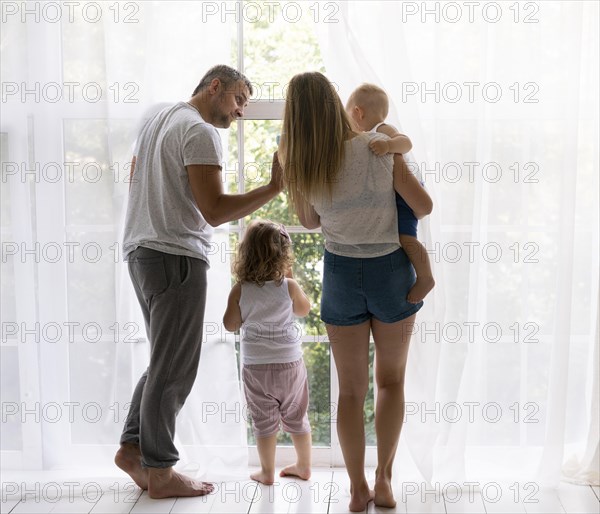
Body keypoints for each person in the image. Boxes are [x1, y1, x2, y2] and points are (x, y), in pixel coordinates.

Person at [116, 65, 284, 499]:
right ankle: (161, 470)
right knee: (175, 367)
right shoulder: (201, 131)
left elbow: (138, 181)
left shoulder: (158, 120)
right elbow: (214, 210)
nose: (241, 111)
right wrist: (273, 187)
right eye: (239, 100)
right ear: (215, 87)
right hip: (174, 257)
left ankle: (133, 450)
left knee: (164, 359)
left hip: (141, 251)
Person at [278, 72, 433, 512]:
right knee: (391, 381)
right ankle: (384, 480)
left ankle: (356, 487)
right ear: (335, 104)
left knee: (349, 392)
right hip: (390, 271)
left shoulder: (303, 161)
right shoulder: (376, 146)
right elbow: (421, 206)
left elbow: (310, 222)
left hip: (341, 273)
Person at [223, 220, 312, 485]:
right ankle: (305, 466)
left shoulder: (240, 290)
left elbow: (230, 325)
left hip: (256, 368)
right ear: (284, 256)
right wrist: (290, 277)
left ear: (245, 254)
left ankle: (267, 472)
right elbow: (303, 310)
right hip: (289, 365)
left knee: (263, 421)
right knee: (297, 416)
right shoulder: (288, 286)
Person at [346, 83, 434, 303]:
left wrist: (388, 146)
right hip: (397, 194)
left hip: (406, 195)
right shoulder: (370, 135)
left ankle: (426, 278)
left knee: (406, 237)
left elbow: (406, 142)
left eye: (348, 117)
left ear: (358, 112)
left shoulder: (382, 130)